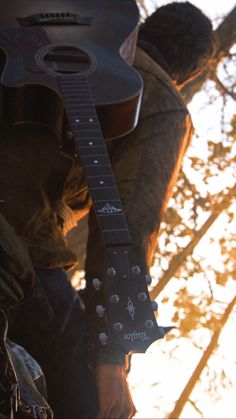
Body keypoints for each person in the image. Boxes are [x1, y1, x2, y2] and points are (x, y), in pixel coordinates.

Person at [0, 2, 214, 418]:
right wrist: (112, 359)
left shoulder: (40, 24)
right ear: (191, 74)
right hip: (18, 241)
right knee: (89, 402)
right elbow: (128, 230)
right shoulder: (161, 98)